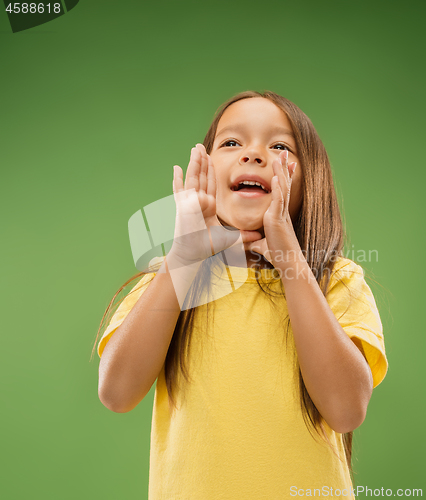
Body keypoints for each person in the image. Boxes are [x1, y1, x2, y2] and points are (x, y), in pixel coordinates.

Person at [93, 90, 388, 500]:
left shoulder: (335, 280)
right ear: (207, 171)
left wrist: (291, 263)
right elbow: (117, 391)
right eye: (231, 143)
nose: (252, 154)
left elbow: (346, 409)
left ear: (311, 181)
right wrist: (184, 255)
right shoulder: (173, 279)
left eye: (280, 146)